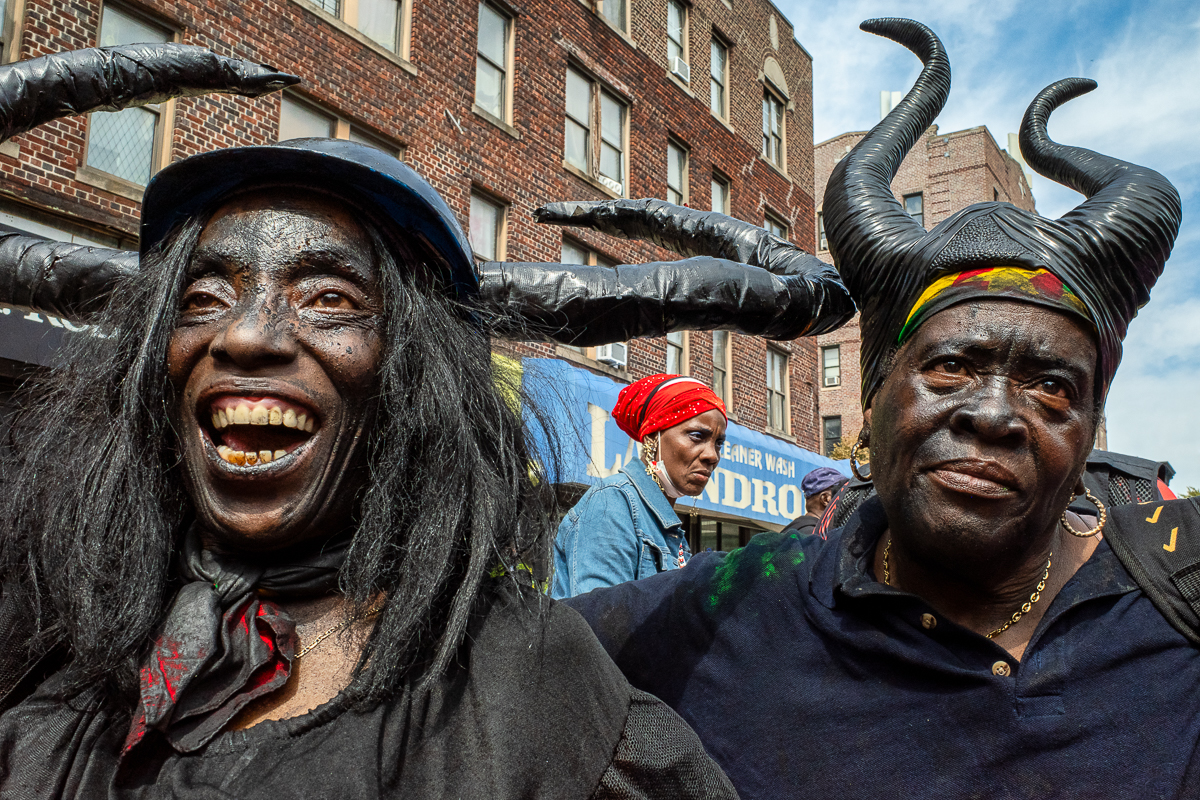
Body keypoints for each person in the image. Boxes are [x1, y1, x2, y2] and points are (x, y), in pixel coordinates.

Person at [0, 44, 874, 798]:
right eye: (204, 296)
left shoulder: (535, 692)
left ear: (415, 384)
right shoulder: (53, 640)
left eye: (329, 297)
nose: (246, 333)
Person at [561, 18, 1197, 799]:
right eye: (952, 366)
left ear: (1092, 423)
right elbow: (471, 674)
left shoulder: (1180, 584)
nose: (995, 415)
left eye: (1051, 386)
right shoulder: (742, 604)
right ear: (875, 396)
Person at [551, 374, 727, 598]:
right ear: (653, 437)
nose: (712, 456)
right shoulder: (612, 502)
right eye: (696, 436)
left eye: (718, 443)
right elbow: (600, 621)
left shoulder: (669, 529)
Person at [780, 467, 847, 535]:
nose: (847, 500)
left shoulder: (793, 530)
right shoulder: (817, 537)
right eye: (843, 495)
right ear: (826, 499)